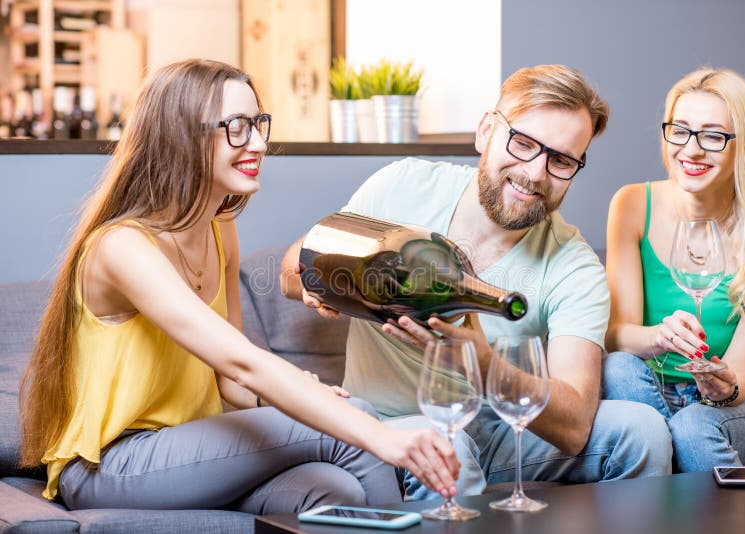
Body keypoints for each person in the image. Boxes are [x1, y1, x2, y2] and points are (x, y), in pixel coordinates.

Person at [18, 59, 460, 514]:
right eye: (237, 127)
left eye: (258, 124)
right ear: (180, 135)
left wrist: (302, 395)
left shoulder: (219, 224)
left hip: (184, 451)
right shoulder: (122, 247)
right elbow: (240, 361)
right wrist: (382, 437)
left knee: (332, 489)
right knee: (359, 422)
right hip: (109, 465)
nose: (259, 143)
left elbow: (230, 382)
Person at [281, 65, 672, 496]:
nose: (535, 173)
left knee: (643, 429)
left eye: (560, 160)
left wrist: (484, 364)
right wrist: (317, 287)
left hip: (500, 428)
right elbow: (293, 267)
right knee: (449, 453)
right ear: (487, 130)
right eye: (523, 143)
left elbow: (576, 423)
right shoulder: (403, 187)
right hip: (392, 421)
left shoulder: (573, 264)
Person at [602, 67, 745, 472]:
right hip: (651, 387)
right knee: (617, 367)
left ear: (743, 146)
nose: (691, 150)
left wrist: (721, 387)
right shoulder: (632, 205)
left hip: (742, 403)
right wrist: (658, 337)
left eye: (712, 135)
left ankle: (668, 464)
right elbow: (617, 335)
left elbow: (739, 376)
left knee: (693, 426)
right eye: (680, 130)